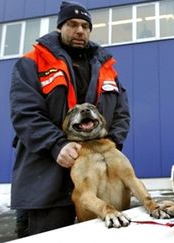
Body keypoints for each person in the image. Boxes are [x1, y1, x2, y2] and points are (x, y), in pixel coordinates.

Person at [9, 0, 130, 236]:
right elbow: (25, 112)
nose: (80, 30)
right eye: (72, 24)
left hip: (100, 183)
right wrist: (57, 144)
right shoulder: (32, 62)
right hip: (48, 180)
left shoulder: (105, 66)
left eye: (85, 26)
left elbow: (121, 111)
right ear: (59, 27)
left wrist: (113, 141)